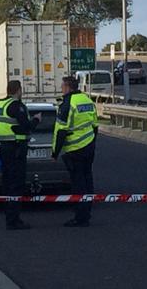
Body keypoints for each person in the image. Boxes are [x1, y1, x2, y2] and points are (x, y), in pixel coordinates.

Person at [52, 76, 98, 227]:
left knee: (78, 184)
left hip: (74, 149)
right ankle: (87, 213)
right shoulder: (87, 100)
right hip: (89, 146)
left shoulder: (67, 104)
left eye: (62, 86)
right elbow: (95, 126)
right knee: (88, 180)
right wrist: (92, 143)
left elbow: (61, 131)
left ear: (68, 87)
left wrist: (55, 153)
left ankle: (80, 217)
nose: (61, 89)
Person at [0, 80, 41, 230]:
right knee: (16, 184)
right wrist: (36, 120)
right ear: (18, 90)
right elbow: (25, 127)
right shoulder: (16, 106)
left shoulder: (1, 105)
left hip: (5, 148)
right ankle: (14, 220)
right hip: (16, 149)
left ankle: (9, 216)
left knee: (7, 183)